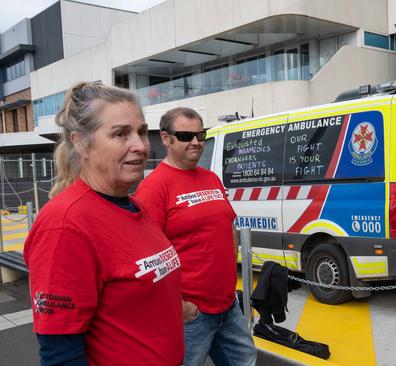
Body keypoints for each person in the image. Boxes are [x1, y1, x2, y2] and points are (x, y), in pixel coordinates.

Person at [23, 82, 184, 365]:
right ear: (80, 142)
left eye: (142, 132)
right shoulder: (65, 225)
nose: (140, 145)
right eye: (121, 133)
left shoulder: (133, 205)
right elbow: (61, 355)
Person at [135, 107, 257, 366]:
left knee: (245, 361)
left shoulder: (211, 178)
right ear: (166, 139)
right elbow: (143, 255)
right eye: (185, 135)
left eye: (200, 134)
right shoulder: (154, 187)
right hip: (190, 314)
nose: (195, 142)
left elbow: (228, 227)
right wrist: (178, 306)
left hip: (227, 304)